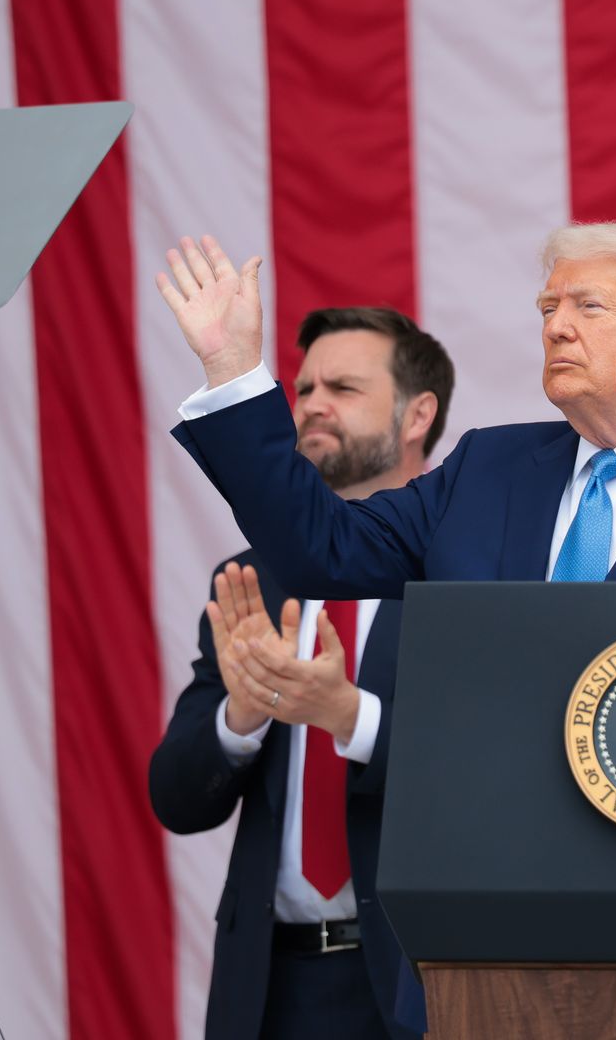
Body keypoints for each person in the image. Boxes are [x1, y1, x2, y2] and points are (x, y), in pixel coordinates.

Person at [153, 221, 616, 599]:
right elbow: (320, 551)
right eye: (548, 307)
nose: (554, 327)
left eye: (587, 307)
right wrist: (232, 369)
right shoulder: (485, 469)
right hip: (489, 857)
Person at [148, 307, 453, 1040]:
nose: (311, 403)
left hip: (420, 987)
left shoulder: (460, 575)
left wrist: (350, 716)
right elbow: (178, 800)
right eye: (305, 385)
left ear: (418, 415)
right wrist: (243, 716)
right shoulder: (252, 582)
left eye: (343, 387)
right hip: (273, 993)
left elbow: (488, 775)